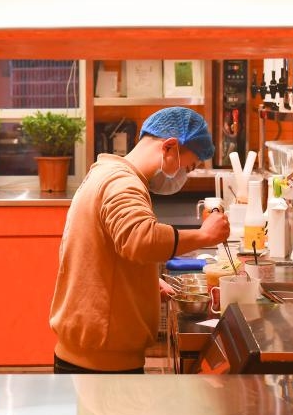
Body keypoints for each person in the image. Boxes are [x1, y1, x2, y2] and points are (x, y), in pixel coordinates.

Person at [49, 107, 230, 373]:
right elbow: (140, 239)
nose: (184, 176)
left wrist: (141, 280)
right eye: (188, 167)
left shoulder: (106, 173)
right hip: (102, 363)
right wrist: (205, 235)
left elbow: (105, 250)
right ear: (169, 147)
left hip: (91, 354)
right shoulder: (123, 184)